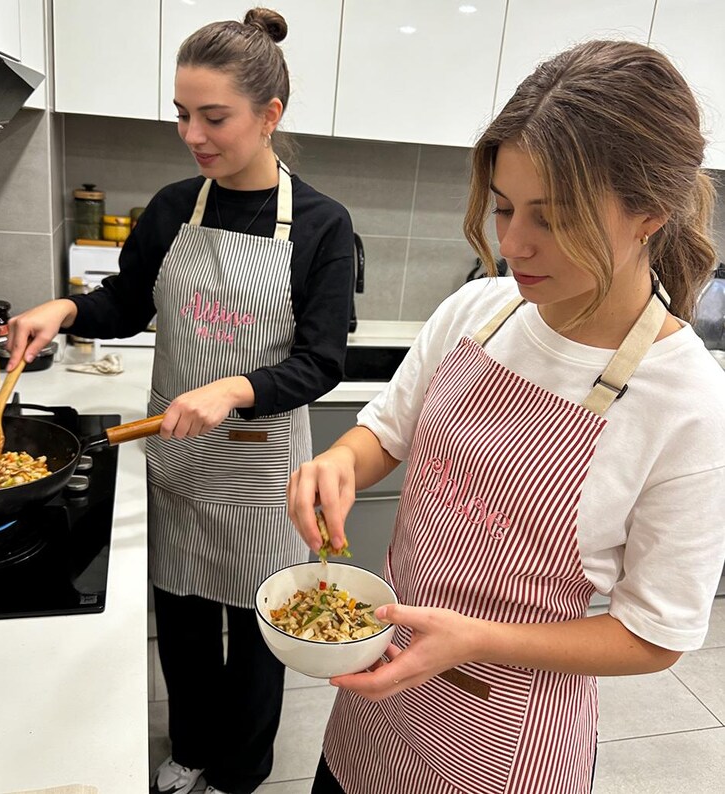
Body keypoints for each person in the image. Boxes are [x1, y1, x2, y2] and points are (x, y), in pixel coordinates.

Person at [287, 39, 725, 794]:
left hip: (508, 739)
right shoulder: (480, 308)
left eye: (551, 219)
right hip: (376, 699)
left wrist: (476, 640)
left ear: (650, 213)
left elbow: (654, 636)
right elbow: (385, 431)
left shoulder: (685, 401)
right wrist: (338, 461)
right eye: (502, 207)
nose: (512, 243)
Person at [7, 9, 355, 794]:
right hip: (178, 459)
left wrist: (236, 389)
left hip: (264, 473)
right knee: (188, 620)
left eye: (213, 117)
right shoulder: (173, 208)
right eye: (182, 114)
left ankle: (240, 770)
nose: (193, 134)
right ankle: (192, 748)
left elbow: (322, 361)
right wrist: (64, 310)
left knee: (262, 630)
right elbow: (127, 303)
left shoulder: (323, 226)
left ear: (270, 116)